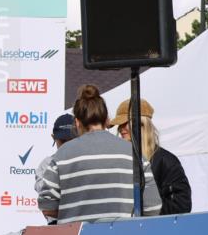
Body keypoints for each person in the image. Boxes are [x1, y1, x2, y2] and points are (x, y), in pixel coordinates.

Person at [39, 85, 162, 223]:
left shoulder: (61, 155)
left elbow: (47, 206)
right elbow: (153, 207)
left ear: (77, 122)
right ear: (107, 120)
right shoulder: (134, 154)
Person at [109, 99, 192, 215]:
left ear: (141, 124)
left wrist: (148, 208)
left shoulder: (166, 161)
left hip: (156, 229)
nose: (120, 128)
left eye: (125, 122)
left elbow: (181, 205)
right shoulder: (120, 160)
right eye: (119, 125)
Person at [35, 113, 77, 223]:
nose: (67, 146)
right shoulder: (46, 164)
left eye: (71, 140)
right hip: (57, 226)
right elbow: (48, 209)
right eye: (63, 141)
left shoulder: (86, 160)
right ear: (53, 138)